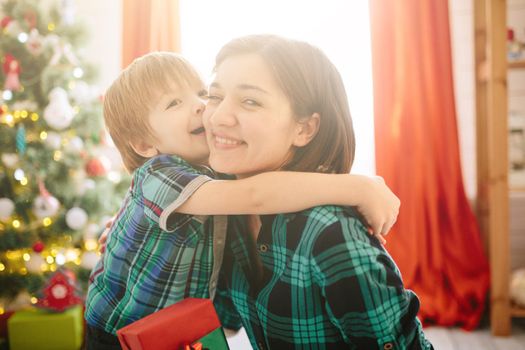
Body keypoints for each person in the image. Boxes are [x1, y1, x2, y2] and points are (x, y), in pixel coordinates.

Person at [84, 52, 400, 349]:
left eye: (201, 93)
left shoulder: (215, 175)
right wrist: (358, 187)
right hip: (117, 332)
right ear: (143, 144)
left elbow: (270, 186)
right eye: (174, 103)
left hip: (175, 330)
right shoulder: (158, 174)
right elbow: (256, 195)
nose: (200, 107)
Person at [206, 35, 433, 349]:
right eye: (214, 96)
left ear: (305, 129)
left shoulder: (331, 234)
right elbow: (223, 322)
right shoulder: (223, 210)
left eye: (250, 101)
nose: (218, 117)